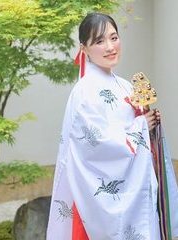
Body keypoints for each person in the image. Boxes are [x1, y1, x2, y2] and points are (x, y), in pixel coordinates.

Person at [46, 12, 178, 240]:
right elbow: (95, 146)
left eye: (114, 37)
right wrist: (141, 128)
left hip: (138, 194)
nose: (110, 46)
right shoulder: (84, 91)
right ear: (84, 49)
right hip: (104, 199)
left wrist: (151, 125)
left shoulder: (125, 86)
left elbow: (136, 129)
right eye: (99, 41)